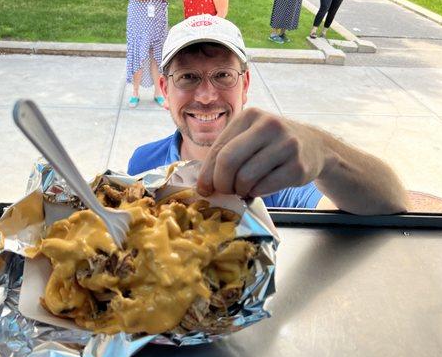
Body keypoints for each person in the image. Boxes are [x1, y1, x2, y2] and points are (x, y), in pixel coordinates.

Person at [128, 15, 408, 215]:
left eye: (223, 75)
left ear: (245, 85)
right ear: (165, 88)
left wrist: (325, 154)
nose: (206, 96)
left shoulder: (275, 170)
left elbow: (392, 202)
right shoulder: (144, 162)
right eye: (188, 77)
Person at [126, 0, 168, 108]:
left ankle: (158, 92)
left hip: (157, 15)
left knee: (157, 55)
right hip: (138, 16)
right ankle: (135, 92)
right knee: (139, 54)